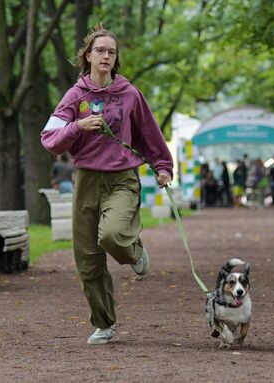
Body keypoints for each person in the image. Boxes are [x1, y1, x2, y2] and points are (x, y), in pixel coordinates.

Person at [41, 25, 173, 345]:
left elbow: (150, 134)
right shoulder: (76, 96)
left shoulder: (129, 94)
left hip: (121, 178)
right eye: (99, 50)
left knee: (112, 234)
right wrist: (78, 126)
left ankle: (134, 252)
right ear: (88, 56)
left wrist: (163, 167)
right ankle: (104, 322)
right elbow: (50, 139)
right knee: (87, 258)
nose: (105, 56)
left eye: (111, 52)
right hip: (86, 180)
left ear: (116, 59)